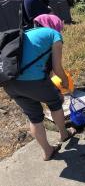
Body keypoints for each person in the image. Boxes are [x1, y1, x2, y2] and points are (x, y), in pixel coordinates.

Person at [3, 14, 75, 161]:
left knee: (34, 118)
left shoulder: (25, 34)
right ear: (55, 25)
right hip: (33, 82)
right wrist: (65, 82)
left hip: (9, 82)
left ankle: (47, 151)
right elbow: (57, 67)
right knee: (55, 103)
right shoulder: (54, 34)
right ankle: (64, 134)